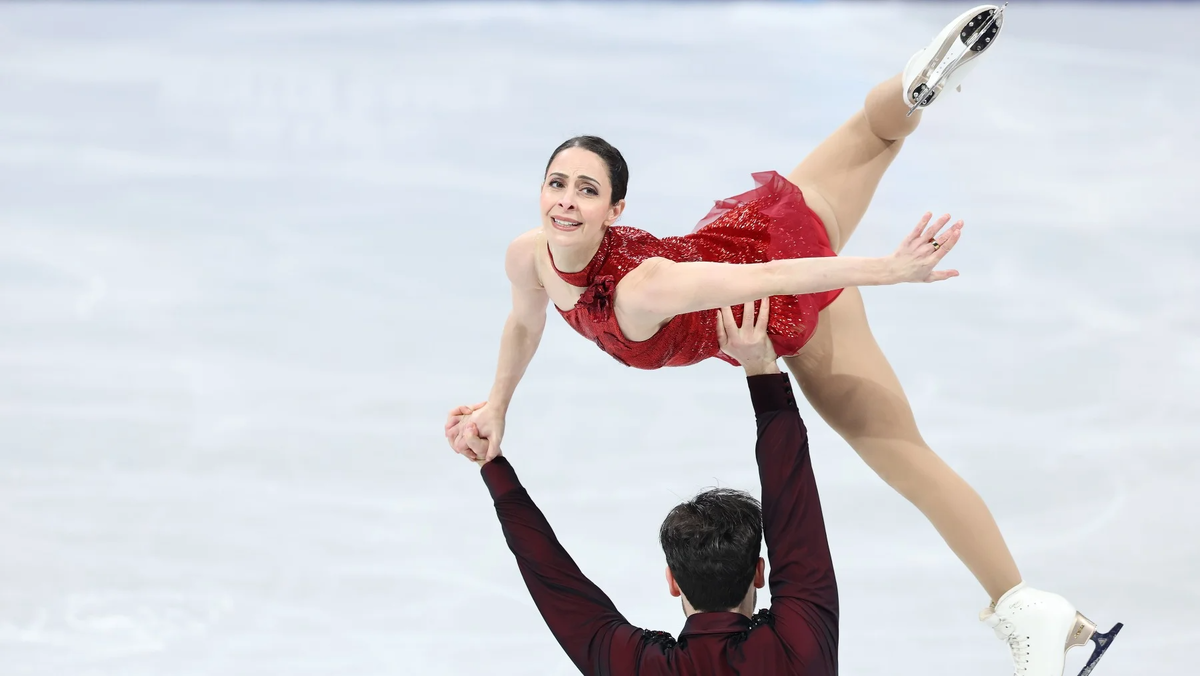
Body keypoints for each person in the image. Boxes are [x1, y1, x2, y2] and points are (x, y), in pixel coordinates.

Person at [445, 6, 1121, 675]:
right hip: (745, 231)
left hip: (781, 297)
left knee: (897, 449)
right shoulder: (529, 256)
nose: (566, 200)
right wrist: (498, 403)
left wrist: (890, 270)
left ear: (615, 211)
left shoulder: (642, 289)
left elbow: (773, 275)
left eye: (586, 190)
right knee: (874, 132)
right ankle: (914, 84)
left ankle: (1025, 607)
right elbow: (525, 321)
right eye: (557, 183)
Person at [453, 300, 839, 675]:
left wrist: (490, 461)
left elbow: (551, 576)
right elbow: (794, 512)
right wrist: (762, 370)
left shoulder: (635, 666)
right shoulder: (801, 645)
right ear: (759, 572)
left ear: (672, 581)